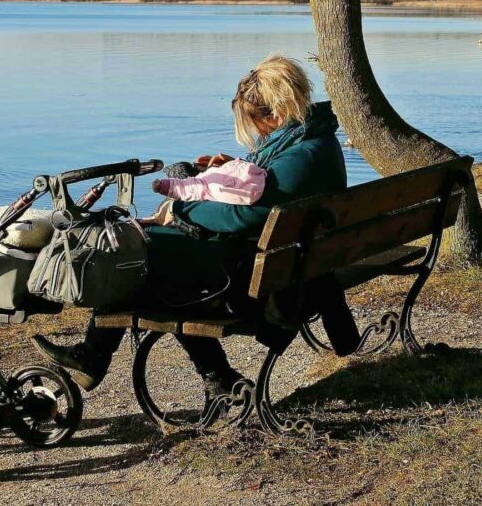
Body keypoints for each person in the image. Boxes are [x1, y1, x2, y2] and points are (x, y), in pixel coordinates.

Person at [32, 53, 347, 396]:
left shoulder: (302, 157)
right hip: (282, 263)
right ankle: (211, 378)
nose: (256, 134)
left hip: (254, 279)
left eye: (256, 124)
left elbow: (248, 214)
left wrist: (183, 210)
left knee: (138, 253)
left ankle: (110, 358)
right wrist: (230, 169)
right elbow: (269, 189)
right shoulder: (312, 141)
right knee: (153, 259)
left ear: (277, 113)